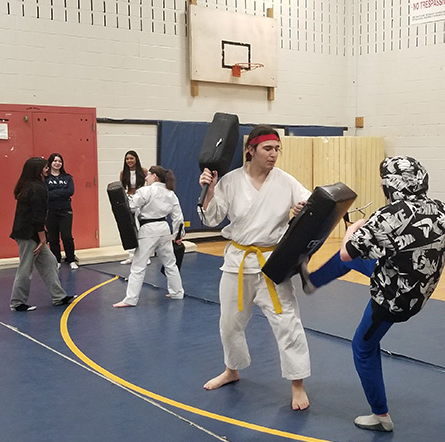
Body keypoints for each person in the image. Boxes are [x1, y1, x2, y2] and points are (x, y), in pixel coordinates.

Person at [335, 156, 445, 432]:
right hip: (420, 289)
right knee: (373, 259)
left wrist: (352, 230)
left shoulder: (386, 216)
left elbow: (345, 252)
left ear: (390, 185)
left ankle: (381, 417)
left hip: (395, 301)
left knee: (362, 348)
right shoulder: (440, 209)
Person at [198, 125, 313, 411]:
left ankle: (297, 385)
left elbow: (309, 201)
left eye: (277, 149)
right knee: (229, 323)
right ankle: (232, 369)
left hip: (272, 264)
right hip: (237, 262)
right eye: (268, 149)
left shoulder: (285, 181)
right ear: (251, 150)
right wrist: (210, 191)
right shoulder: (230, 181)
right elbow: (212, 220)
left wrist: (301, 209)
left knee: (288, 323)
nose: (274, 155)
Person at [113, 165, 185, 308]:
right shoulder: (171, 193)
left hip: (149, 229)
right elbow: (178, 217)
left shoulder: (146, 191)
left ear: (154, 176)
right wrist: (178, 235)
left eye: (148, 175)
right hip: (164, 229)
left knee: (138, 265)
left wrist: (125, 197)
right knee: (170, 263)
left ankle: (130, 299)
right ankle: (177, 292)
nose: (146, 177)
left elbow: (132, 206)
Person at [9, 157, 75, 312]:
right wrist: (43, 239)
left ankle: (58, 296)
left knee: (50, 261)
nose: (47, 169)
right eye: (45, 167)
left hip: (30, 232)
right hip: (28, 234)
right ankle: (17, 302)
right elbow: (37, 217)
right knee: (26, 267)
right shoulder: (37, 188)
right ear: (37, 170)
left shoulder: (30, 185)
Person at [46, 153, 78, 270]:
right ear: (50, 163)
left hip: (65, 210)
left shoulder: (67, 178)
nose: (57, 163)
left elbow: (70, 191)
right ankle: (56, 260)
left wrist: (53, 193)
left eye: (59, 161)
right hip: (50, 211)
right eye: (55, 161)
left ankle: (71, 259)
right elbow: (45, 194)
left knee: (67, 236)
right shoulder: (45, 178)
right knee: (53, 237)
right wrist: (60, 193)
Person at [120, 150, 149, 264]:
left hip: (141, 199)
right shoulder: (123, 173)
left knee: (142, 227)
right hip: (129, 200)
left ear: (136, 159)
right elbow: (122, 189)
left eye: (131, 158)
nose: (129, 161)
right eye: (127, 159)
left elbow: (149, 187)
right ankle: (131, 255)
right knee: (130, 228)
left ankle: (145, 256)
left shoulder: (144, 171)